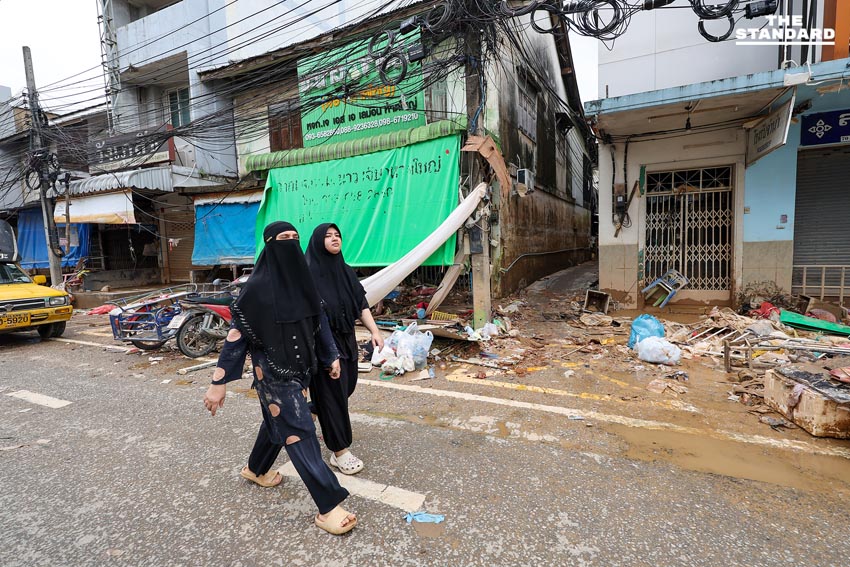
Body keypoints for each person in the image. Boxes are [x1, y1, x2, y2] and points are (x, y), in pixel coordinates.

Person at [202, 221, 357, 535]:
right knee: (299, 430)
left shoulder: (304, 284)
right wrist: (218, 383)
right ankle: (328, 506)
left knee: (276, 422)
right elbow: (235, 339)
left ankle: (256, 469)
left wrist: (331, 356)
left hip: (302, 371)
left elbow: (319, 324)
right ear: (270, 244)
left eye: (295, 238)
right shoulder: (255, 290)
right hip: (272, 374)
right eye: (283, 238)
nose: (291, 243)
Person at [305, 223, 384, 475]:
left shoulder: (346, 271)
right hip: (323, 341)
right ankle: (340, 451)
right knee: (333, 396)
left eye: (337, 235)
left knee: (346, 387)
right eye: (328, 236)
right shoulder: (307, 274)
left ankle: (313, 409)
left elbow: (360, 303)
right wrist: (328, 352)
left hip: (347, 338)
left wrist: (374, 331)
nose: (334, 238)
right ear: (317, 242)